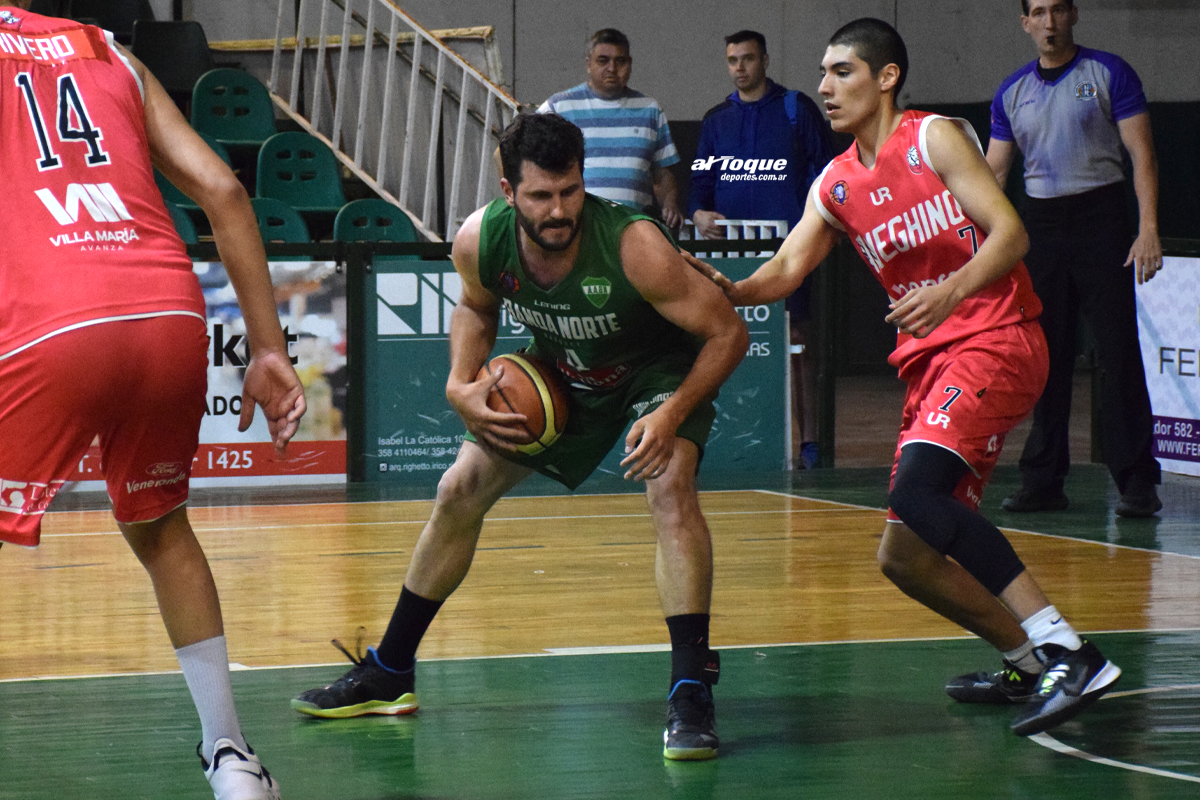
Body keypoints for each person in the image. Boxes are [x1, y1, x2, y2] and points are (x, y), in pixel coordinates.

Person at [686, 18, 1120, 736]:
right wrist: (730, 290)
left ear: (886, 77)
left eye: (843, 72)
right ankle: (1027, 662)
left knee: (916, 492)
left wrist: (950, 292)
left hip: (997, 340)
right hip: (931, 366)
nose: (825, 87)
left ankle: (1070, 653)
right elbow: (788, 268)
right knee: (906, 555)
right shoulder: (834, 184)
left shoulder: (934, 138)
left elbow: (1011, 233)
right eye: (823, 74)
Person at [291, 112, 747, 762]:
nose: (557, 209)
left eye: (569, 191)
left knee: (670, 486)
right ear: (508, 189)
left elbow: (729, 333)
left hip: (658, 371)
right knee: (458, 489)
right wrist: (458, 381)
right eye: (539, 196)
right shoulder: (482, 239)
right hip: (563, 371)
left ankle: (689, 689)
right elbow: (476, 308)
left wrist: (672, 413)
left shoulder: (634, 245)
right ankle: (388, 671)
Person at [0, 4, 306, 799]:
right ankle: (232, 756)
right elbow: (224, 195)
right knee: (162, 529)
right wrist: (269, 350)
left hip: (55, 316)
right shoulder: (109, 49)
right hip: (168, 310)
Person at [988, 0, 1163, 517]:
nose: (1049, 22)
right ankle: (1043, 480)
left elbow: (1143, 155)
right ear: (1025, 23)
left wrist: (1147, 228)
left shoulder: (1109, 72)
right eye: (1038, 12)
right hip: (1039, 225)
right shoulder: (1011, 91)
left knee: (1117, 352)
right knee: (1045, 356)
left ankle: (1136, 482)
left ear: (1073, 15)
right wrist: (972, 243)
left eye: (1058, 10)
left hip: (1101, 219)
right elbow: (995, 174)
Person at [688, 29, 834, 469]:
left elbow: (827, 171)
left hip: (790, 250)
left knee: (798, 339)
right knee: (728, 337)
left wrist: (811, 226)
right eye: (733, 59)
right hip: (733, 254)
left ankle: (808, 441)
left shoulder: (796, 109)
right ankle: (729, 440)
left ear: (765, 60)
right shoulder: (716, 119)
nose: (740, 67)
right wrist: (698, 214)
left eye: (748, 58)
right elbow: (699, 186)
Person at [537, 29, 684, 229]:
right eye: (603, 60)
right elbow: (513, 151)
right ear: (588, 63)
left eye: (620, 61)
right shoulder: (559, 107)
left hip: (634, 228)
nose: (612, 68)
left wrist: (670, 205)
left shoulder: (650, 110)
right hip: (579, 229)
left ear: (630, 64)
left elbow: (663, 174)